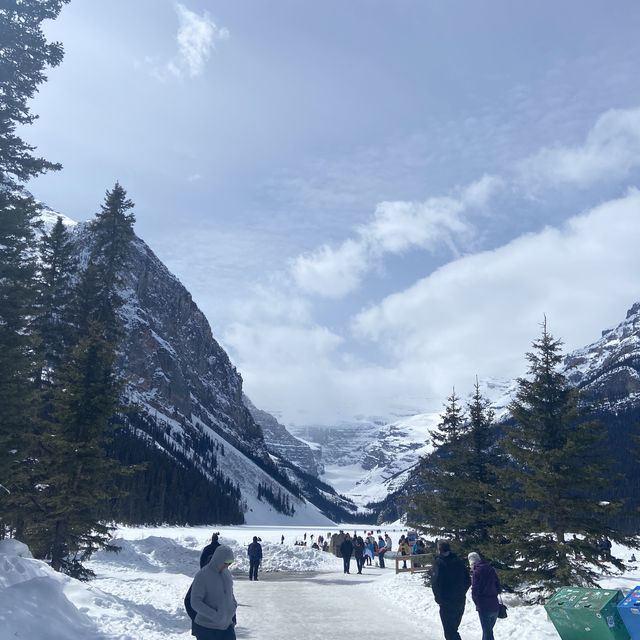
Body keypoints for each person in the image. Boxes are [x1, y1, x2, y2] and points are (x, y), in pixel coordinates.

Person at [190, 545, 237, 640]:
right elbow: (195, 602)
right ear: (218, 559)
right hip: (207, 628)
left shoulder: (227, 574)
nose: (228, 565)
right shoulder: (202, 575)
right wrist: (215, 615)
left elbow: (230, 593)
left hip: (227, 625)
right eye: (226, 562)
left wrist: (233, 606)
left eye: (230, 563)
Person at [431, 540, 471, 640]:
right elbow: (468, 580)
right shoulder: (459, 561)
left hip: (447, 602)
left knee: (450, 632)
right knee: (453, 629)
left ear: (439, 550)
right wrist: (461, 592)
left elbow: (436, 583)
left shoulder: (439, 563)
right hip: (460, 601)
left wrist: (439, 599)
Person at [468, 552, 501, 640]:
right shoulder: (491, 569)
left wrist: (477, 603)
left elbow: (475, 590)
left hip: (484, 607)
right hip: (495, 606)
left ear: (472, 562)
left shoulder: (476, 572)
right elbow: (498, 587)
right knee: (487, 632)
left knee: (488, 634)